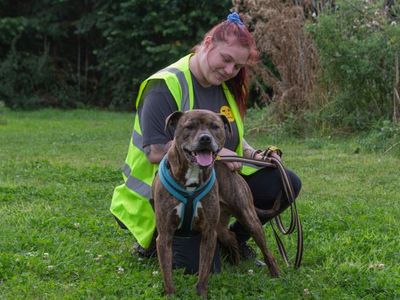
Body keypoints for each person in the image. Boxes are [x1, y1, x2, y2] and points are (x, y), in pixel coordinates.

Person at [110, 12, 302, 273]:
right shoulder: (164, 85)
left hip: (211, 189)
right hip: (163, 198)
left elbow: (231, 132)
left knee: (285, 182)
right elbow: (155, 152)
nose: (229, 71)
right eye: (226, 60)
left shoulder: (222, 85)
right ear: (208, 43)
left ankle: (232, 238)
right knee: (198, 267)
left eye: (237, 66)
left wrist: (250, 152)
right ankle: (153, 244)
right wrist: (218, 152)